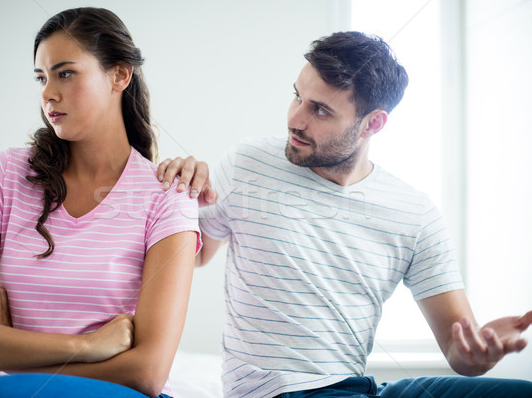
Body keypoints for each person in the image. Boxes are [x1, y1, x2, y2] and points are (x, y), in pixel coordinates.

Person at [157, 31, 532, 397]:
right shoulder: (247, 164)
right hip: (284, 392)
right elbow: (196, 253)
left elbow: (457, 352)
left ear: (373, 124)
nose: (295, 119)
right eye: (297, 96)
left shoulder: (415, 213)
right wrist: (177, 199)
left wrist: (478, 354)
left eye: (319, 109)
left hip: (362, 387)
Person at [0, 7, 200, 398]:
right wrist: (85, 347)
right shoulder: (4, 175)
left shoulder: (167, 195)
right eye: (41, 77)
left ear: (120, 75)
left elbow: (147, 373)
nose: (48, 93)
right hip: (19, 393)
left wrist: (4, 349)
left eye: (66, 73)